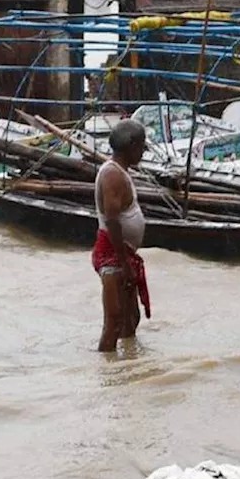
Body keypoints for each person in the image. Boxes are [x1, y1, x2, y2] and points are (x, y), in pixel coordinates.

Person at [92, 119, 151, 352]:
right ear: (132, 146)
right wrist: (124, 263)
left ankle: (127, 373)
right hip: (113, 257)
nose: (143, 153)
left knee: (130, 318)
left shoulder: (120, 172)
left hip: (122, 255)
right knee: (114, 322)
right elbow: (112, 220)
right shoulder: (112, 176)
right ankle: (107, 376)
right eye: (141, 147)